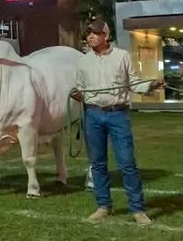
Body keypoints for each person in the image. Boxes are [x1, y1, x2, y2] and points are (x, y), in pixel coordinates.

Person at [70, 18, 164, 226]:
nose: (90, 36)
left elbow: (134, 82)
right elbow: (80, 87)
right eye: (88, 34)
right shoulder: (84, 60)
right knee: (97, 164)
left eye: (95, 33)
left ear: (106, 35)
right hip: (92, 114)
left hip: (117, 114)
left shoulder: (122, 56)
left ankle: (137, 210)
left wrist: (150, 85)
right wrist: (77, 94)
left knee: (127, 164)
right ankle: (103, 206)